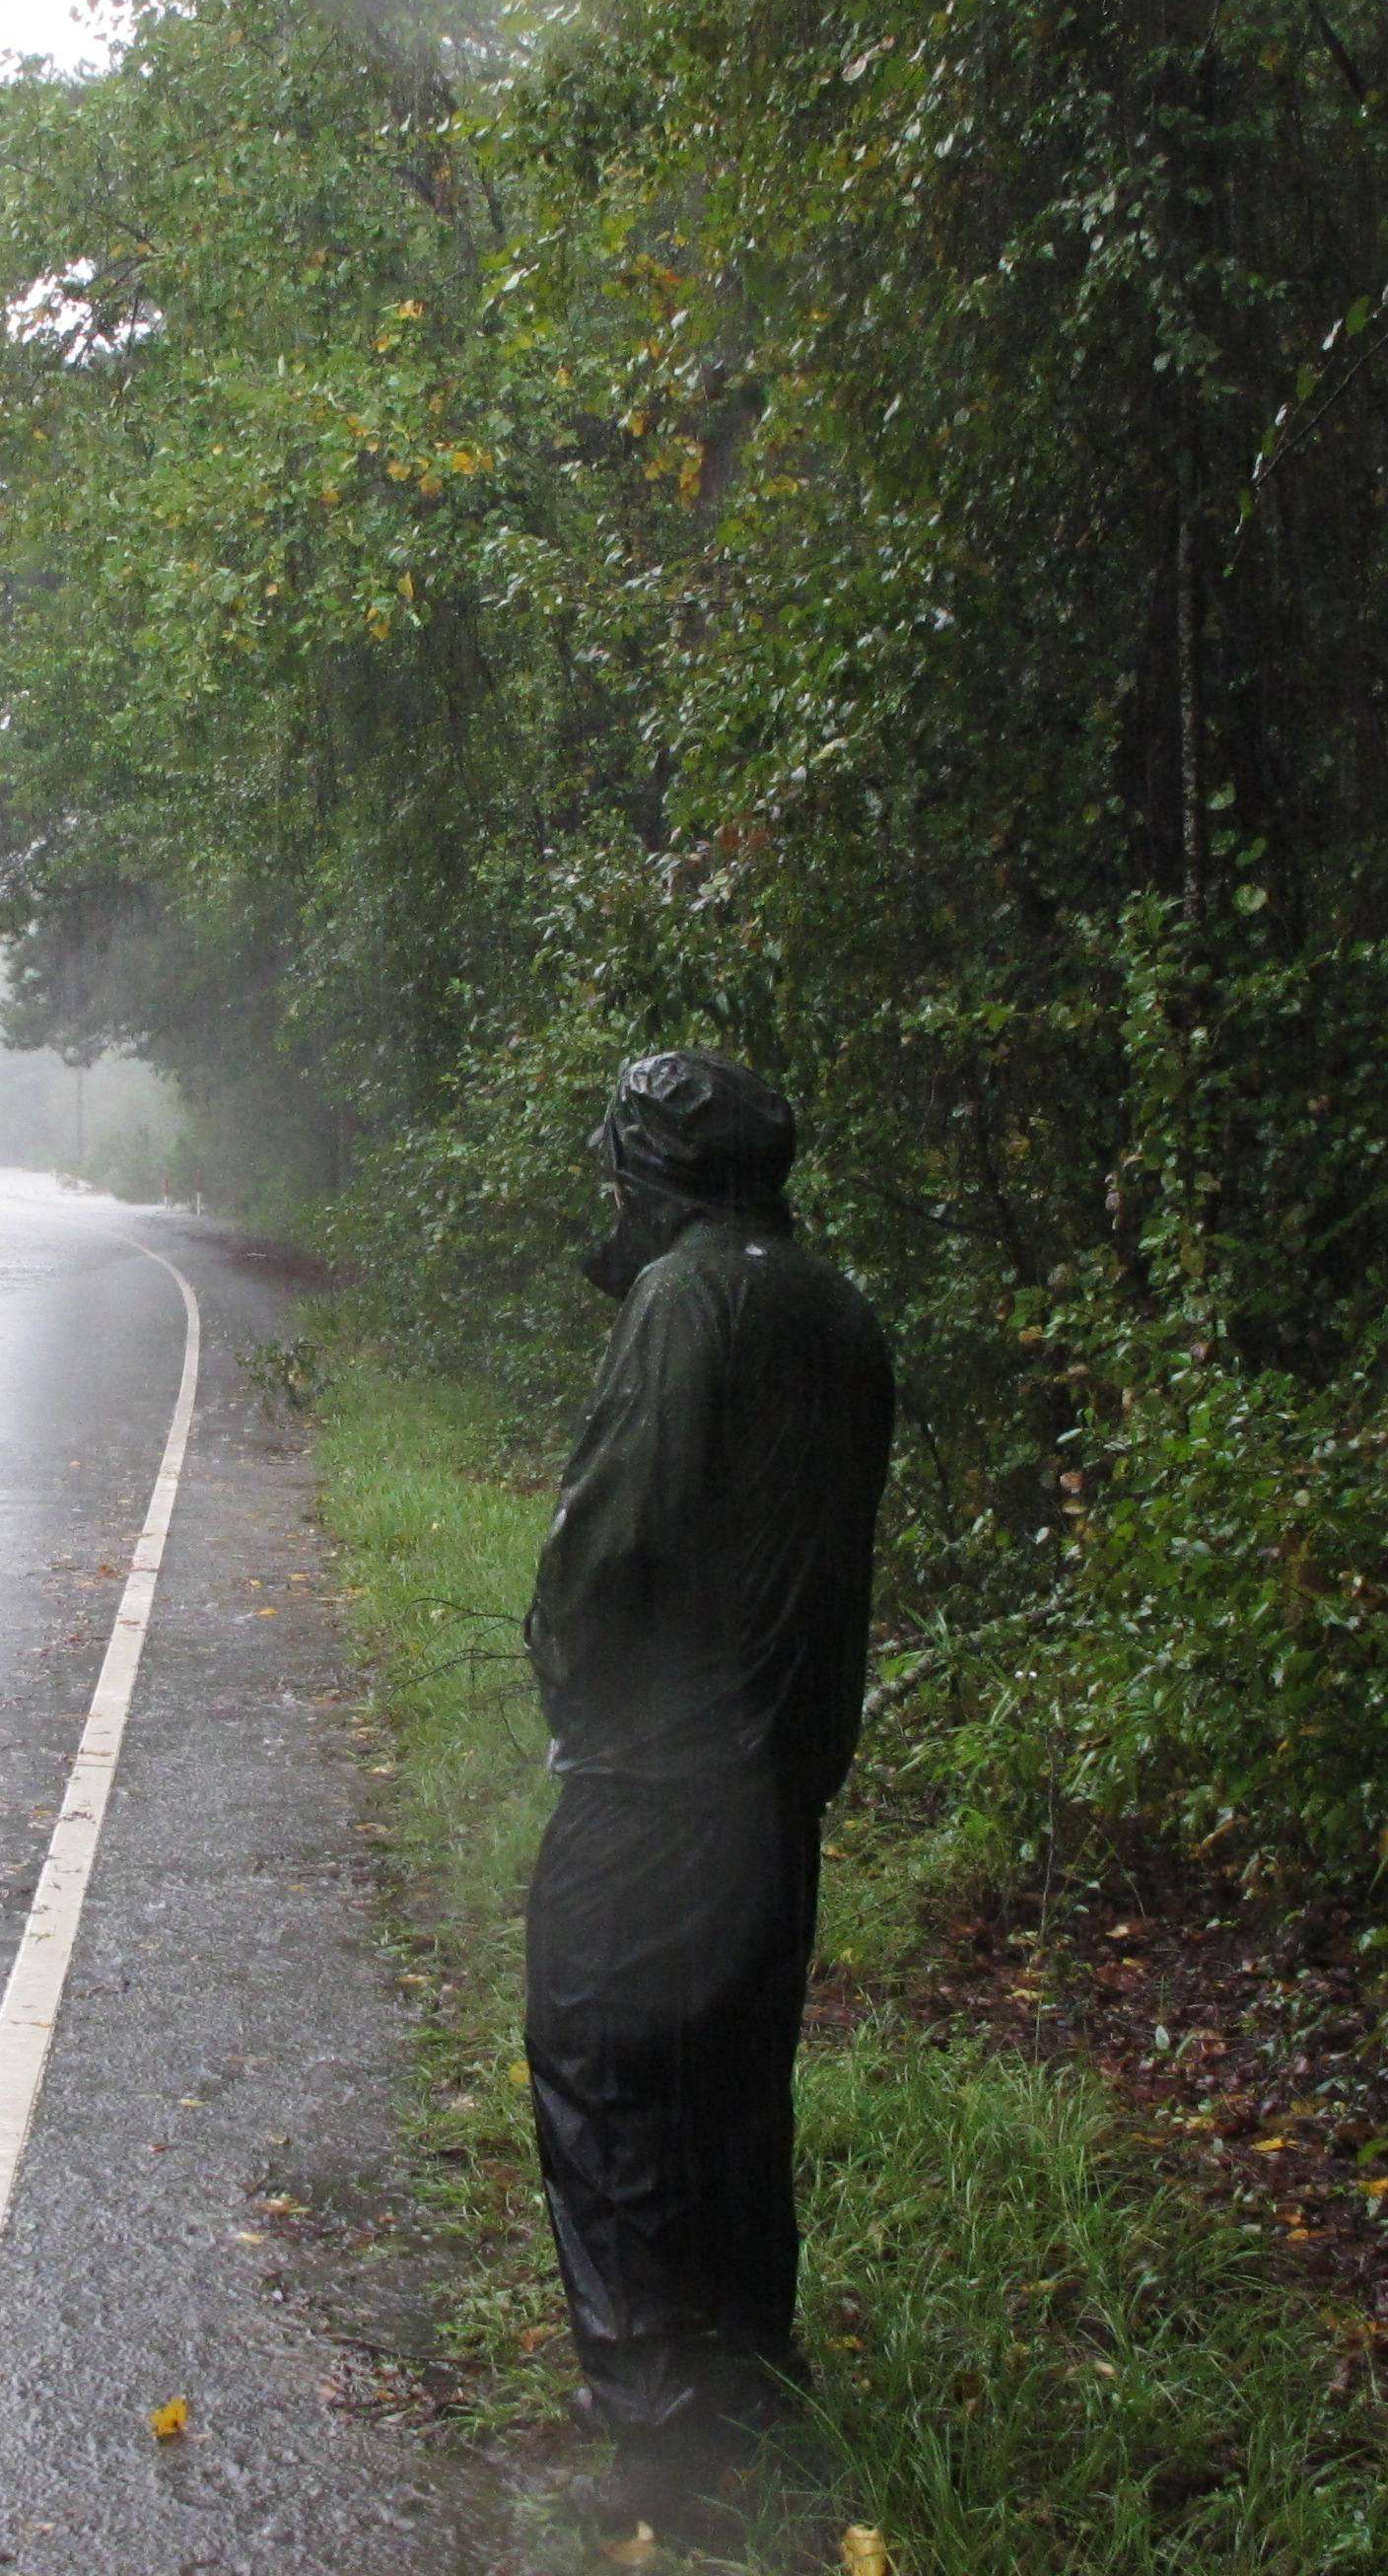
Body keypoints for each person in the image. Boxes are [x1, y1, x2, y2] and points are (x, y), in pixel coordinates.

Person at [522, 1046, 895, 2526]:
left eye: (619, 1163)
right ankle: (752, 2368)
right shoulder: (835, 1305)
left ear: (655, 1174)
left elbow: (613, 1544)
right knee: (734, 2077)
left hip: (656, 1777)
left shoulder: (688, 1301)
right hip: (777, 1783)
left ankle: (663, 2434)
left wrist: (571, 1679)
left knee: (606, 2066)